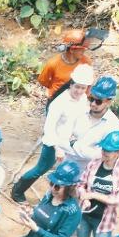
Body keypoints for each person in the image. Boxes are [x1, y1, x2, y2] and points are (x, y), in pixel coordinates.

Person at [11, 64, 93, 204]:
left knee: (65, 173)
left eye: (83, 88)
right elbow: (49, 128)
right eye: (77, 87)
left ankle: (61, 198)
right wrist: (57, 148)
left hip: (70, 144)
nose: (79, 91)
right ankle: (17, 191)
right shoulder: (59, 102)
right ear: (71, 84)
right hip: (54, 144)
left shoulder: (83, 99)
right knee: (41, 169)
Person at [59, 75, 119, 168]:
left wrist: (73, 144)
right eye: (91, 99)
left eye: (98, 101)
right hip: (66, 161)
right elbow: (63, 133)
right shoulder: (79, 109)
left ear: (109, 102)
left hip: (89, 169)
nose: (93, 104)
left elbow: (101, 155)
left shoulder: (113, 125)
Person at [36, 29, 91, 100]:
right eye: (81, 49)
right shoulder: (53, 63)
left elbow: (89, 81)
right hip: (57, 98)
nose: (84, 51)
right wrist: (54, 89)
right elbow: (43, 81)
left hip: (77, 98)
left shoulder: (86, 62)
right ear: (72, 50)